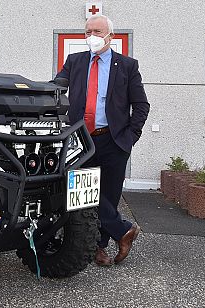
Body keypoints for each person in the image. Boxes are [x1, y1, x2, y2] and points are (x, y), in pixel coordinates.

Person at [55, 15, 149, 266]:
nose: (91, 36)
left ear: (111, 36)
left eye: (97, 31)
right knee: (82, 191)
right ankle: (124, 230)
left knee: (108, 193)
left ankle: (99, 247)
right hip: (81, 140)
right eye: (87, 32)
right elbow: (56, 88)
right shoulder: (75, 61)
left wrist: (130, 137)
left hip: (113, 140)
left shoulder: (127, 66)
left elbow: (141, 105)